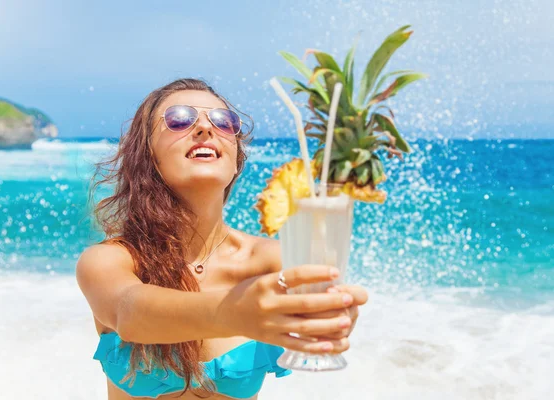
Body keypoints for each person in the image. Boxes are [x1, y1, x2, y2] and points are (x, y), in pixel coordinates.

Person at [76, 78, 369, 399]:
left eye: (224, 122)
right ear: (147, 154)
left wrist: (331, 318)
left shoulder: (270, 262)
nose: (205, 128)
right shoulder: (110, 260)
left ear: (236, 160)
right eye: (180, 119)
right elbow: (129, 313)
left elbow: (321, 313)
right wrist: (234, 312)